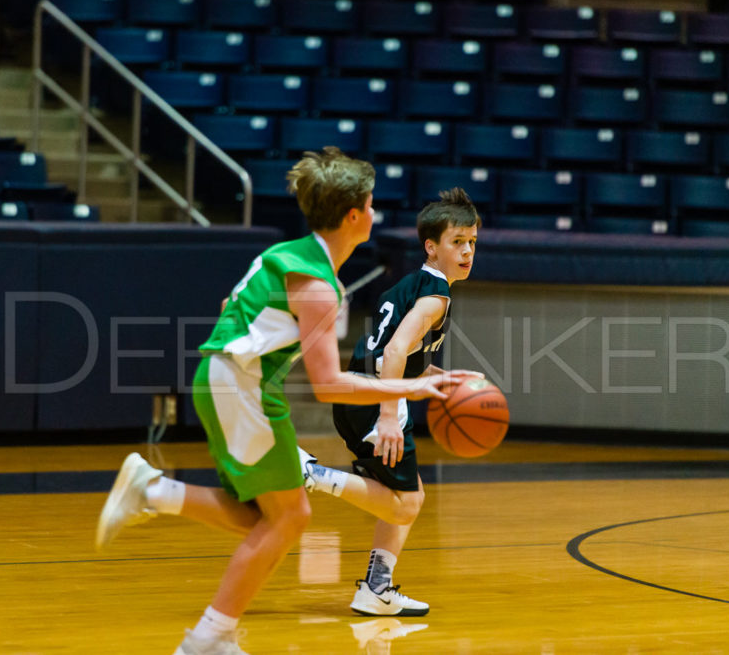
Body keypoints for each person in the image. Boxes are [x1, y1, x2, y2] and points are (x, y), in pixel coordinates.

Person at [95, 149, 474, 655]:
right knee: (290, 519)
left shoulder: (292, 254)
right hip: (240, 386)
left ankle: (154, 493)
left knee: (266, 518)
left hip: (237, 381)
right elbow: (328, 385)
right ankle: (207, 638)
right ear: (354, 216)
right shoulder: (318, 286)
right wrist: (407, 389)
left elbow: (235, 309)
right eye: (372, 203)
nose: (377, 213)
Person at [300, 188, 484, 618]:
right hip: (376, 400)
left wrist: (442, 379)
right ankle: (312, 473)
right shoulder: (436, 295)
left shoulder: (410, 283)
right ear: (431, 247)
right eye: (457, 242)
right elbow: (396, 352)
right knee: (409, 502)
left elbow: (395, 355)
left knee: (406, 494)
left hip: (357, 391)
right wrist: (387, 415)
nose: (467, 251)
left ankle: (376, 588)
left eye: (473, 242)